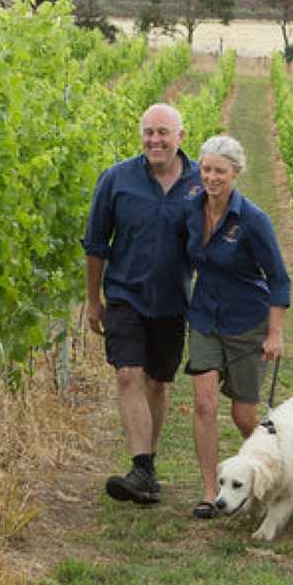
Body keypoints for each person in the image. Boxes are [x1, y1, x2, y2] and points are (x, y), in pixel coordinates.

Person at [82, 103, 202, 505]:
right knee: (127, 375)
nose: (155, 140)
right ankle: (141, 467)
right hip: (124, 295)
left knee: (157, 382)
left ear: (180, 137)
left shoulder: (202, 183)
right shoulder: (116, 179)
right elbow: (96, 243)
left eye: (163, 132)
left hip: (172, 300)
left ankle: (147, 469)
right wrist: (92, 299)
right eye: (148, 132)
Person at [184, 135, 291, 520]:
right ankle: (211, 492)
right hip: (205, 319)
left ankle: (268, 482)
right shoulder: (190, 210)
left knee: (244, 416)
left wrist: (275, 333)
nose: (211, 177)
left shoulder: (253, 220)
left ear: (236, 174)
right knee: (203, 403)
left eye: (220, 171)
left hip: (248, 322)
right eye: (206, 169)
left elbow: (278, 278)